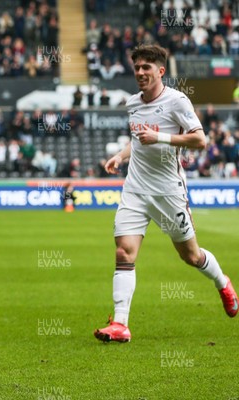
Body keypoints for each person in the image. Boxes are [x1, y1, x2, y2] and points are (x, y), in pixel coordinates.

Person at [94, 44, 238, 343]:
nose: (140, 72)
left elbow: (200, 140)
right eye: (137, 68)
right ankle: (120, 324)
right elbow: (137, 140)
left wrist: (159, 136)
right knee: (124, 252)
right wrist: (121, 156)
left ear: (161, 71)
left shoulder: (177, 101)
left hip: (167, 192)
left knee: (191, 256)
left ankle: (222, 282)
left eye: (147, 67)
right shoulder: (133, 103)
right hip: (135, 189)